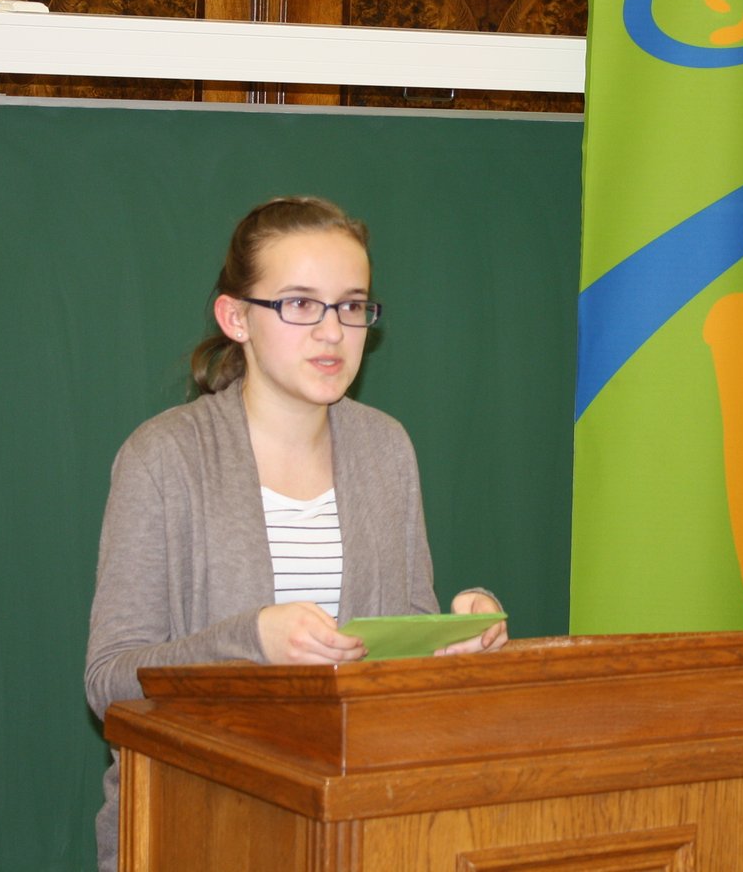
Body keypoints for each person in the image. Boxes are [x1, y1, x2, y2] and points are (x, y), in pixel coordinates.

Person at [84, 195, 506, 870]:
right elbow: (109, 681)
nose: (332, 332)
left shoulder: (387, 449)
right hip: (194, 828)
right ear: (237, 318)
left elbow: (396, 665)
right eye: (301, 304)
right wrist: (251, 641)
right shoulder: (163, 457)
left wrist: (453, 643)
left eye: (351, 305)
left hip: (356, 832)